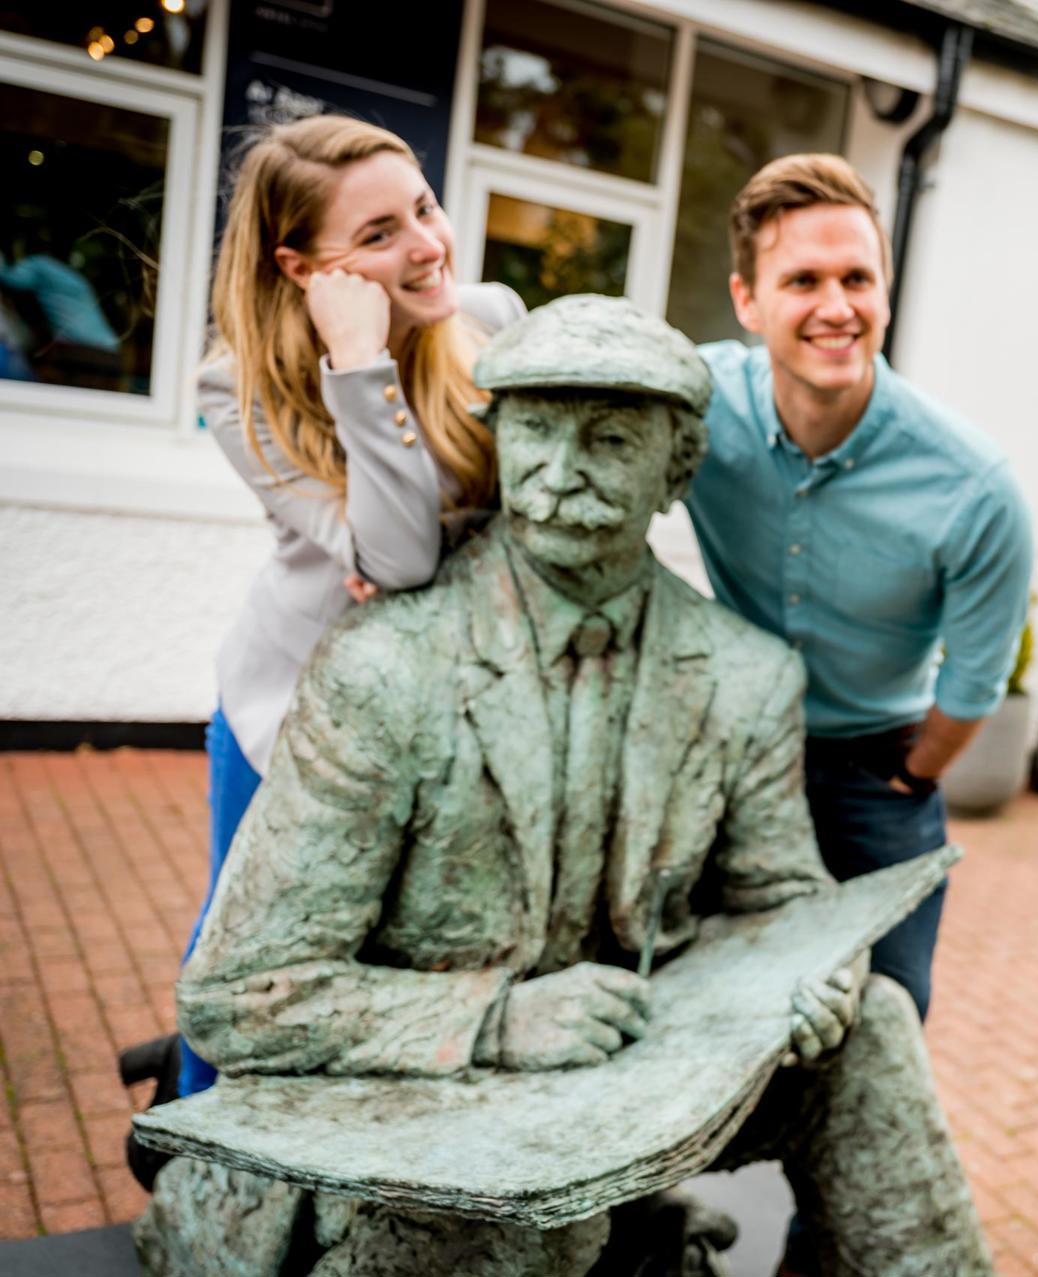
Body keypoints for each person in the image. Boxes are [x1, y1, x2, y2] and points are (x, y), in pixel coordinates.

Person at [132, 295, 992, 1277]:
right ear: (497, 442)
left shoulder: (743, 672)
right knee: (523, 1217)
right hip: (419, 1094)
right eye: (536, 432)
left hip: (629, 1068)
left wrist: (815, 970)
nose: (563, 470)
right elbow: (239, 993)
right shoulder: (389, 666)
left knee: (874, 1019)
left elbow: (780, 900)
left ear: (677, 467)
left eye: (611, 437)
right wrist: (496, 1018)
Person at [121, 115, 525, 1119]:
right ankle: (192, 1134)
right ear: (301, 267)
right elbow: (398, 552)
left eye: (423, 207)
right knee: (244, 937)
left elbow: (494, 527)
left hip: (441, 707)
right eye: (378, 234)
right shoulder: (237, 389)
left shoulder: (494, 320)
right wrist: (359, 360)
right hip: (292, 702)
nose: (427, 244)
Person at [686, 154, 1033, 1021]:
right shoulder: (687, 404)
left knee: (889, 1014)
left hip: (880, 774)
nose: (836, 306)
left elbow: (975, 680)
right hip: (724, 753)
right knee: (695, 1002)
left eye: (857, 278)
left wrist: (912, 778)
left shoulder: (975, 487)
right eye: (803, 279)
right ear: (747, 300)